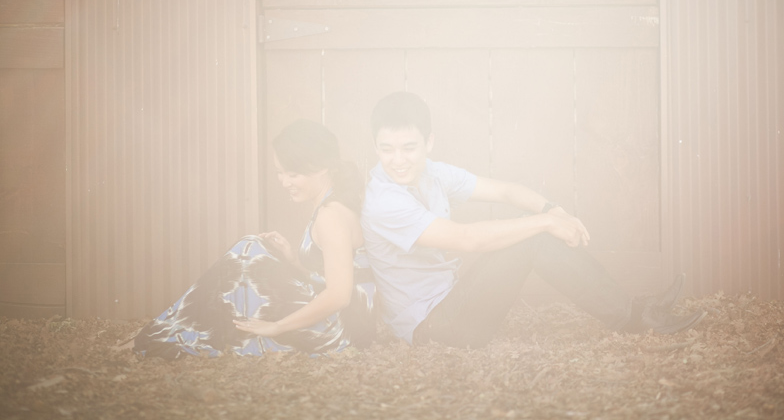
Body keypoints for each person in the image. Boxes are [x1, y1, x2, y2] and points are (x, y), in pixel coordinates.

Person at [360, 91, 705, 348]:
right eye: (387, 149)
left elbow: (506, 191)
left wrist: (553, 211)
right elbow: (468, 239)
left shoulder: (432, 174)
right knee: (534, 235)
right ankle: (634, 318)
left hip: (454, 306)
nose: (398, 160)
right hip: (433, 330)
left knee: (536, 227)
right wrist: (544, 223)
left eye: (408, 147)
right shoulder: (384, 201)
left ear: (429, 143)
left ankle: (635, 310)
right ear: (375, 147)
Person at [131, 119, 376, 359]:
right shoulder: (330, 205)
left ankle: (161, 334)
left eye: (292, 174)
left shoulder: (331, 216)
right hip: (345, 322)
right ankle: (164, 332)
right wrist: (293, 260)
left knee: (247, 251)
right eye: (280, 173)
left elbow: (339, 295)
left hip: (341, 330)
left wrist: (277, 326)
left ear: (322, 168)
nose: (285, 182)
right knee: (250, 251)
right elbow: (333, 277)